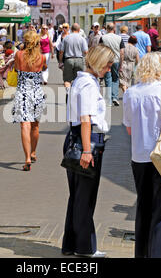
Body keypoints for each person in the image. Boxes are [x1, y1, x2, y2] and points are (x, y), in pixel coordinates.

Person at [123, 52, 161, 258]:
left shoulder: (130, 92)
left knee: (144, 206)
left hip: (139, 156)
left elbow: (129, 129)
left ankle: (142, 253)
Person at [62, 44, 115, 258]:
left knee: (77, 195)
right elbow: (86, 119)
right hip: (86, 140)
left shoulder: (82, 81)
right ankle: (85, 247)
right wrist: (87, 150)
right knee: (85, 195)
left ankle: (72, 244)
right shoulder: (88, 84)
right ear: (99, 63)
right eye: (108, 65)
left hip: (79, 138)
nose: (109, 69)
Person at [12, 31, 47, 171]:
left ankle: (27, 157)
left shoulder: (19, 55)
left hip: (22, 92)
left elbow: (16, 68)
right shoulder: (42, 57)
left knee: (24, 125)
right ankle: (33, 152)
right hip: (37, 92)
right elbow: (43, 68)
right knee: (35, 126)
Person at [99, 22, 124, 106]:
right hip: (116, 60)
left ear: (106, 29)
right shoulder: (119, 38)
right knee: (115, 79)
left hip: (106, 60)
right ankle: (115, 97)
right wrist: (121, 64)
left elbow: (100, 49)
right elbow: (122, 52)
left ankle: (108, 99)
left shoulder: (103, 38)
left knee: (107, 79)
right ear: (114, 29)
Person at [59, 23, 88, 89]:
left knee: (67, 80)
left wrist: (60, 61)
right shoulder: (82, 39)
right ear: (79, 30)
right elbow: (86, 52)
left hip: (68, 60)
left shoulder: (66, 38)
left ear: (71, 29)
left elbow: (61, 51)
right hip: (79, 60)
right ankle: (76, 95)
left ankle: (68, 93)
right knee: (78, 80)